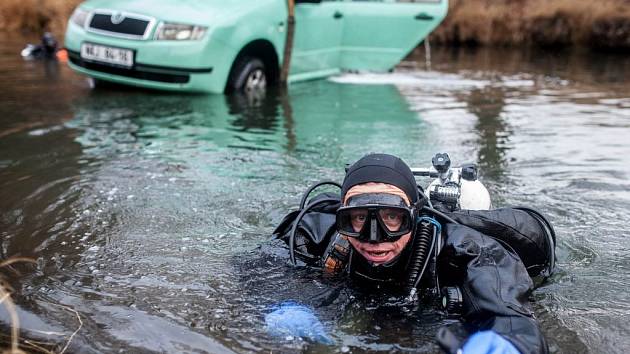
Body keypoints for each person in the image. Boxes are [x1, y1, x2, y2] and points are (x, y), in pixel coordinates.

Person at [273, 153, 556, 354]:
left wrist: (513, 342)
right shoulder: (317, 232)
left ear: (415, 215)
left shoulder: (467, 250)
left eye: (392, 218)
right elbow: (261, 266)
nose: (375, 238)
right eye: (358, 218)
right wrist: (281, 303)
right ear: (341, 217)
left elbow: (509, 312)